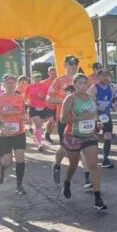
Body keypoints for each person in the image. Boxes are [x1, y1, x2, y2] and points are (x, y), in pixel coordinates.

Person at [60, 73, 107, 211]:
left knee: (93, 165)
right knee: (73, 165)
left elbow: (95, 115)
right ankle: (67, 182)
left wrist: (98, 123)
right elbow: (63, 119)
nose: (83, 86)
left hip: (89, 135)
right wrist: (81, 118)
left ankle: (98, 199)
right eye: (79, 83)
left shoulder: (91, 98)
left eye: (85, 83)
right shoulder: (70, 99)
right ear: (74, 85)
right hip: (73, 135)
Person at [0, 74, 29, 195]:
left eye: (13, 83)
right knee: (7, 161)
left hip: (19, 132)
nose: (11, 85)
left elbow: (24, 112)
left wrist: (26, 118)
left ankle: (19, 185)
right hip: (4, 134)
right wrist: (0, 127)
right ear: (3, 84)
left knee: (20, 157)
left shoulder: (20, 98)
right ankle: (1, 169)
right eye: (8, 83)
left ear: (16, 84)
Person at [47, 55, 79, 185]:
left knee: (83, 147)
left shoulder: (82, 79)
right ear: (65, 65)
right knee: (65, 147)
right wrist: (65, 102)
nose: (73, 66)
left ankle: (89, 177)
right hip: (63, 118)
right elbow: (49, 98)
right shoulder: (59, 80)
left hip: (79, 118)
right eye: (70, 63)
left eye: (76, 63)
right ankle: (57, 164)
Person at [95, 69, 115, 168]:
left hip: (106, 116)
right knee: (93, 137)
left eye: (107, 76)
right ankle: (92, 158)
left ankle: (105, 159)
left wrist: (112, 106)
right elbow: (87, 103)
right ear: (98, 77)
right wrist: (97, 107)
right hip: (95, 117)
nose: (106, 78)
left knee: (108, 136)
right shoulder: (94, 88)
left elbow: (110, 101)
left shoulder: (110, 88)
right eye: (103, 76)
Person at [25, 72, 49, 151]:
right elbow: (25, 97)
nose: (37, 78)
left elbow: (48, 97)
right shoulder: (29, 87)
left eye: (39, 77)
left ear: (41, 78)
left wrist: (43, 97)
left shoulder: (45, 86)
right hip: (33, 108)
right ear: (33, 78)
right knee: (38, 125)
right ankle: (39, 144)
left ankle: (37, 140)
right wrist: (27, 103)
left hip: (43, 108)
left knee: (39, 127)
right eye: (35, 77)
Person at [43, 66, 58, 144]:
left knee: (53, 123)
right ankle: (47, 133)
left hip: (57, 105)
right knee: (51, 120)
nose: (53, 74)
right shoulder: (44, 82)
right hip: (48, 105)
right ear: (48, 73)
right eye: (51, 73)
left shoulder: (59, 80)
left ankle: (47, 134)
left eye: (54, 73)